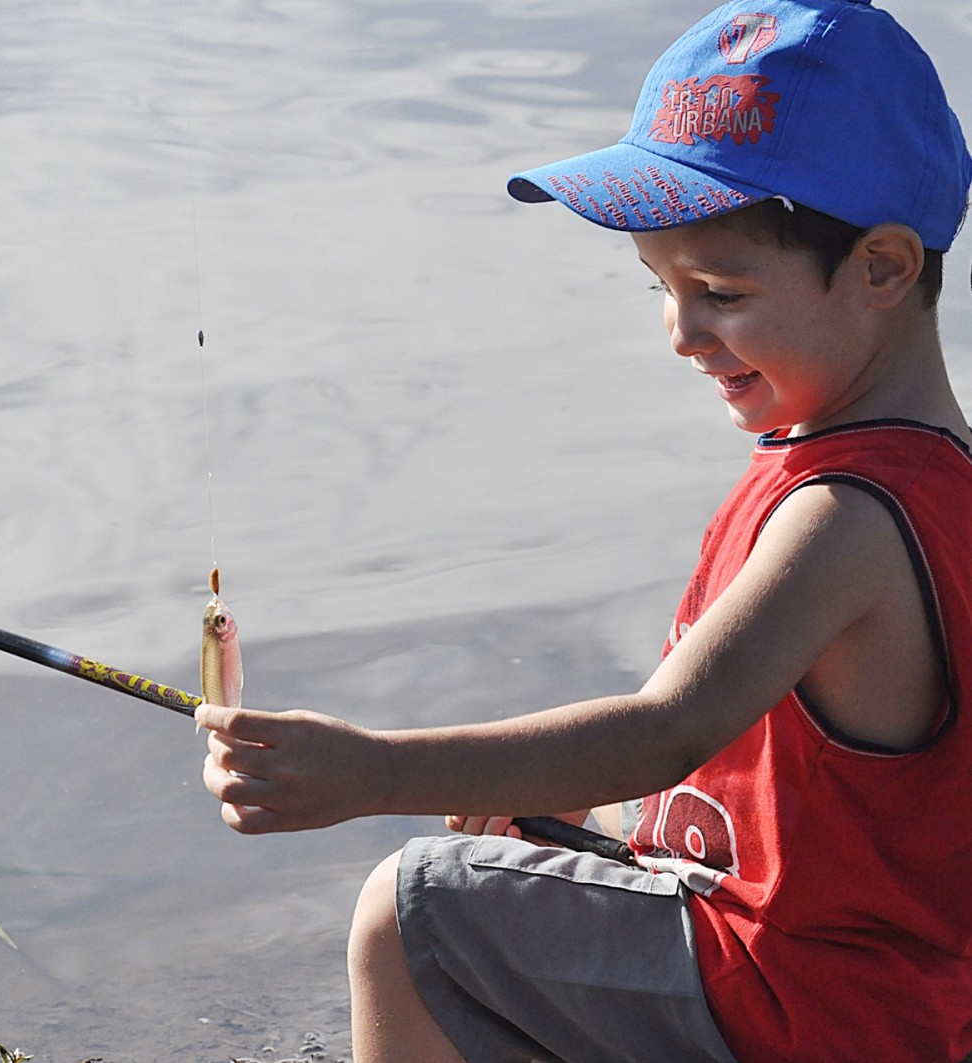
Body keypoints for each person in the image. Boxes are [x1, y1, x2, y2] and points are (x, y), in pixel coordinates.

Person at [196, 1, 972, 1060]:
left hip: (806, 1009)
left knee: (417, 909)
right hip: (871, 999)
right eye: (658, 288)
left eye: (720, 291)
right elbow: (780, 807)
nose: (681, 333)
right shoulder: (927, 482)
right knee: (519, 876)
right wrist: (562, 816)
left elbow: (662, 730)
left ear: (881, 269)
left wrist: (373, 772)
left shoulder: (841, 516)